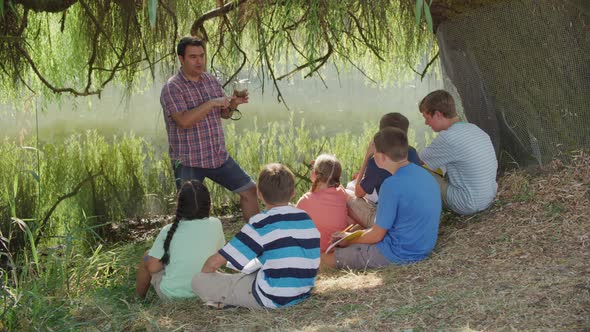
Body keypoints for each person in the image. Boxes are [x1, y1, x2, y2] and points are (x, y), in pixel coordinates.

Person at [192, 163, 320, 309]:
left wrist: (207, 276)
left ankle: (232, 299)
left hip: (272, 297)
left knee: (198, 281)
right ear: (293, 193)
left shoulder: (261, 223)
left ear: (259, 194)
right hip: (302, 291)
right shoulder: (305, 217)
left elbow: (214, 263)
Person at [160, 36, 258, 221]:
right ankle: (188, 247)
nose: (199, 61)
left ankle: (256, 242)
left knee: (249, 190)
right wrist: (212, 102)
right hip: (189, 161)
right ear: (181, 59)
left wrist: (233, 104)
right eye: (193, 57)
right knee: (190, 211)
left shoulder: (210, 80)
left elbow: (224, 114)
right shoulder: (172, 88)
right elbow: (184, 121)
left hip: (217, 156)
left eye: (202, 56)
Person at [322, 127, 441, 269]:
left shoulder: (391, 185)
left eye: (375, 152)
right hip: (423, 247)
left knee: (326, 258)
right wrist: (351, 236)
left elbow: (377, 235)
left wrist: (348, 241)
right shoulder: (425, 175)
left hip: (399, 253)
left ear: (382, 157)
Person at [136, 180, 225, 300]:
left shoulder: (168, 230)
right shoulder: (216, 223)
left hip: (173, 294)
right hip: (206, 291)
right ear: (209, 203)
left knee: (147, 255)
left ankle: (139, 299)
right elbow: (218, 254)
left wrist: (169, 262)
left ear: (180, 205)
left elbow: (153, 268)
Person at [418, 90, 498, 215]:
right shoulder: (474, 129)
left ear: (438, 114)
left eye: (427, 118)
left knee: (415, 171)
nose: (426, 123)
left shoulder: (447, 137)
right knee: (442, 165)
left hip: (467, 203)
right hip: (488, 198)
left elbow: (415, 161)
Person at [347, 112, 421, 228]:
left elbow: (358, 193)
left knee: (349, 195)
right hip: (412, 215)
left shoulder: (377, 162)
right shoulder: (412, 151)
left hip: (391, 224)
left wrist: (367, 157)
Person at [296, 154, 352, 252]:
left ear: (314, 174)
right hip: (336, 249)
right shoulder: (341, 193)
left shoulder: (305, 201)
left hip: (316, 251)